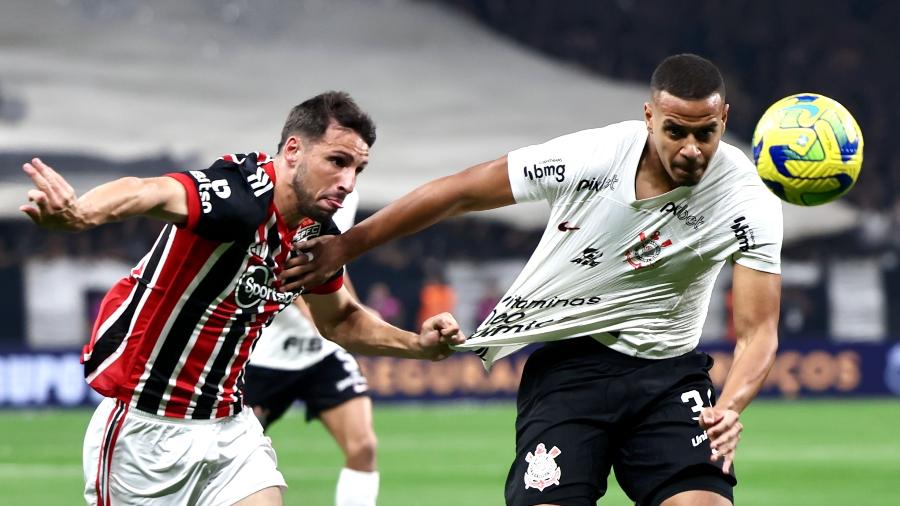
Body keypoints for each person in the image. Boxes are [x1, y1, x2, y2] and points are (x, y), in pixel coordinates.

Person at [281, 55, 782, 506]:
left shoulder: (749, 199)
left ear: (725, 121)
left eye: (705, 134)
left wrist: (731, 405)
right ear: (649, 118)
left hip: (669, 373)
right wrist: (346, 246)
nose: (692, 149)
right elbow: (460, 193)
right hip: (571, 365)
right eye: (676, 132)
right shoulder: (596, 156)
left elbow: (759, 332)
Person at [18, 91, 464, 506]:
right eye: (337, 161)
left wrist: (416, 345)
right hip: (145, 429)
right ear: (293, 151)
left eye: (357, 170)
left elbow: (341, 321)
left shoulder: (315, 237)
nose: (347, 182)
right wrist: (80, 215)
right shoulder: (240, 194)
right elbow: (147, 190)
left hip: (230, 425)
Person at [244, 191, 381, 506]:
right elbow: (295, 284)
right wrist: (344, 323)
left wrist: (354, 308)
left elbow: (335, 269)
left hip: (321, 355)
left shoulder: (347, 197)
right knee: (233, 459)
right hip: (263, 358)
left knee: (363, 447)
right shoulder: (275, 201)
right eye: (338, 161)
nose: (347, 178)